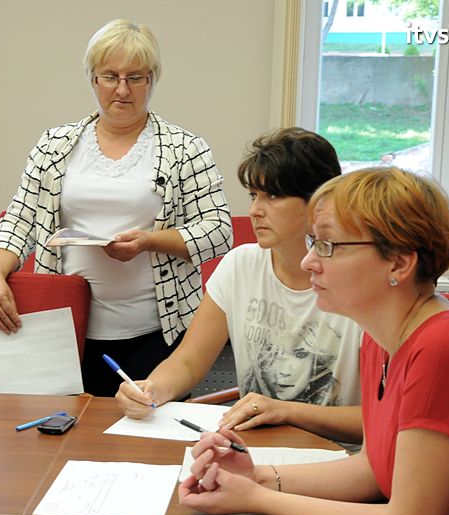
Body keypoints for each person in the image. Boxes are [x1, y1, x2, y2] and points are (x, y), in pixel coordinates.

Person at [178, 167, 449, 515]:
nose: (311, 261)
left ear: (398, 264)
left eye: (329, 245)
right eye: (314, 242)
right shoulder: (382, 337)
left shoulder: (446, 348)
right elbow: (372, 470)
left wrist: (261, 499)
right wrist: (256, 475)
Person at [0, 19, 232, 396]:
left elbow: (218, 230)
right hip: (64, 329)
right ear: (93, 78)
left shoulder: (186, 148)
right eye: (110, 76)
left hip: (158, 332)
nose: (122, 89)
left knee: (148, 440)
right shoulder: (55, 144)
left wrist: (150, 241)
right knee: (61, 436)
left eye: (136, 77)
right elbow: (20, 217)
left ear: (152, 80)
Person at [116, 128, 363, 445]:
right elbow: (188, 362)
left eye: (272, 196)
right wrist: (150, 389)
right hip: (254, 451)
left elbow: (379, 420)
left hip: (338, 461)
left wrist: (285, 411)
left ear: (317, 201)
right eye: (253, 195)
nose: (255, 210)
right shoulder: (239, 265)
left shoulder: (357, 283)